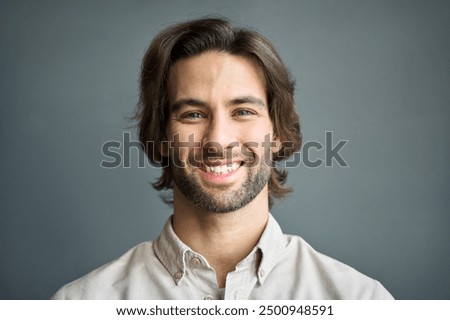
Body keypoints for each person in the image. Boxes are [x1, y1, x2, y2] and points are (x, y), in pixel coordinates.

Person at [52, 17, 393, 299]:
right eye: (193, 115)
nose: (218, 140)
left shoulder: (360, 300)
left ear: (277, 134)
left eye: (243, 111)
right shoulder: (80, 303)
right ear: (162, 136)